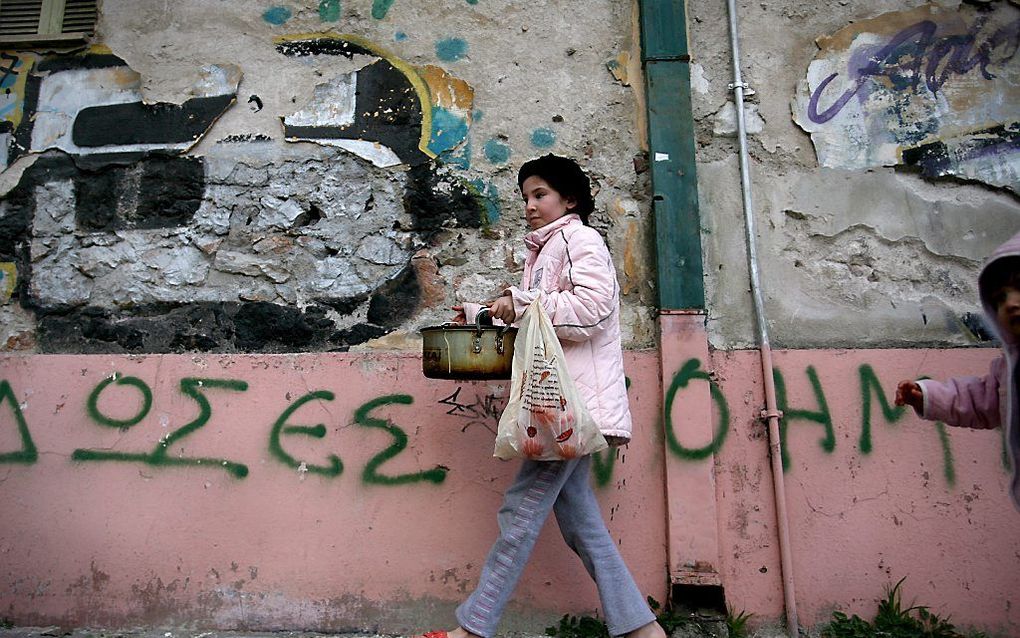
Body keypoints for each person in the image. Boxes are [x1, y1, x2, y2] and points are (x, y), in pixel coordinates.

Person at [429, 154, 667, 638]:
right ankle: (642, 631)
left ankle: (473, 630)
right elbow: (539, 323)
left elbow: (593, 310)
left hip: (568, 412)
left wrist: (521, 302)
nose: (530, 206)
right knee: (582, 524)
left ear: (570, 199)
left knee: (519, 512)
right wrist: (484, 312)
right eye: (525, 198)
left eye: (540, 195)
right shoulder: (546, 251)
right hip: (559, 407)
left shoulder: (580, 239)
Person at [894, 230, 1020, 511]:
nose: (1010, 304)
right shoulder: (1008, 368)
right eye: (1000, 299)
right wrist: (925, 395)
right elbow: (980, 401)